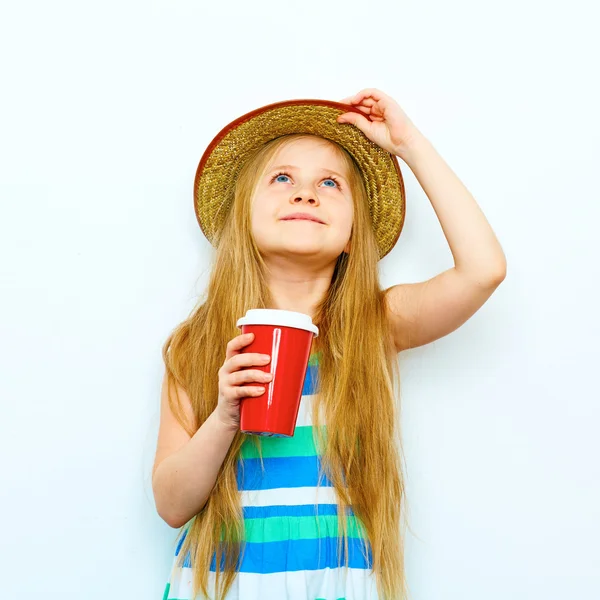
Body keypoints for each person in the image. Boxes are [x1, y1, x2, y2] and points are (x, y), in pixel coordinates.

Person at [152, 89, 507, 600]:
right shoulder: (198, 345)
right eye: (282, 178)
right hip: (226, 585)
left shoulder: (373, 325)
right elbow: (170, 504)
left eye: (329, 183)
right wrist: (225, 415)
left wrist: (410, 145)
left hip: (335, 584)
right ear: (243, 220)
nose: (305, 194)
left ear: (351, 235)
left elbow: (484, 270)